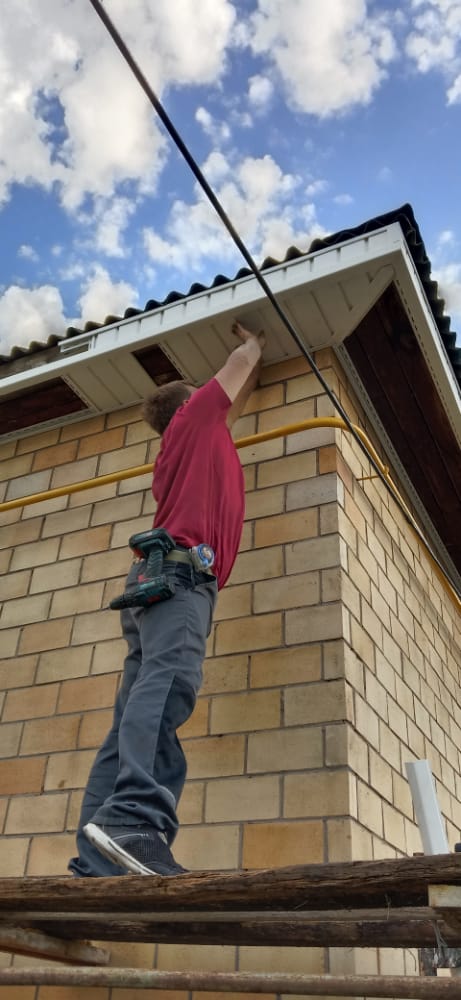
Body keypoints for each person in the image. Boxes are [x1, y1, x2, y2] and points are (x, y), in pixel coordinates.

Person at [68, 321, 265, 877]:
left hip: (157, 582)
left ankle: (99, 857)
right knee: (170, 683)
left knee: (133, 708)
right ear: (191, 405)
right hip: (180, 580)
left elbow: (233, 396)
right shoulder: (196, 420)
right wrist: (255, 343)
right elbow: (234, 373)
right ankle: (133, 820)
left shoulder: (191, 445)